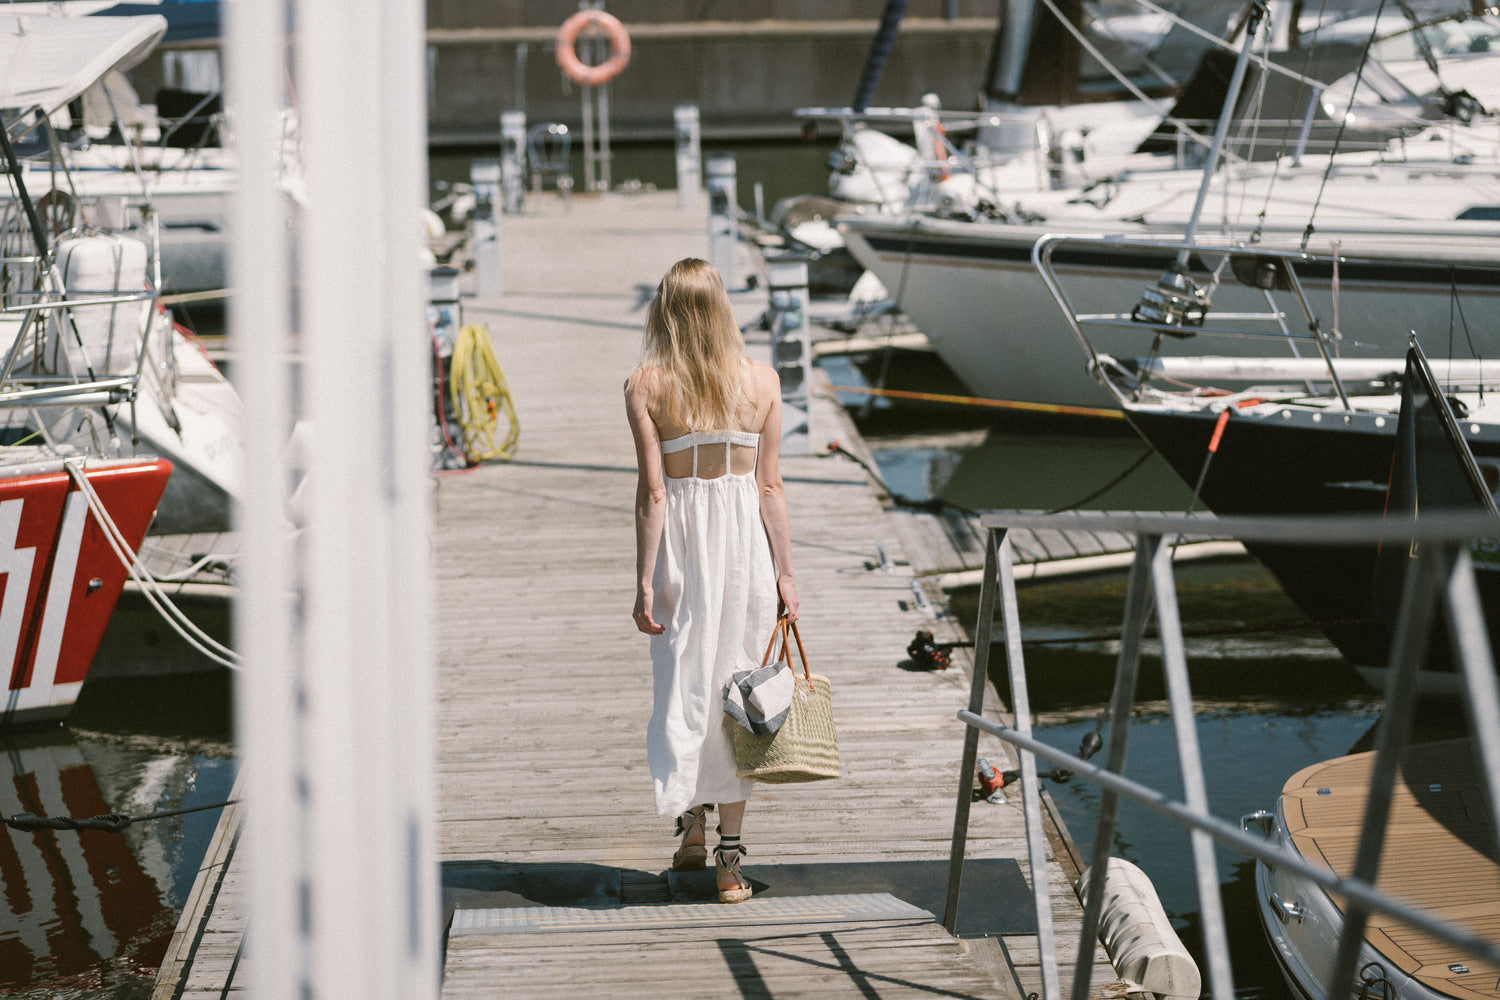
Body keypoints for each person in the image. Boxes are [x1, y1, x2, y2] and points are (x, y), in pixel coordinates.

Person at [625, 257, 799, 904]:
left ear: (665, 312)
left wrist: (644, 583)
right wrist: (786, 575)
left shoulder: (645, 386)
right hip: (745, 552)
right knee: (739, 695)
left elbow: (653, 494)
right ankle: (729, 864)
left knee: (685, 687)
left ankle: (691, 832)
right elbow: (770, 486)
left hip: (681, 552)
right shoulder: (762, 381)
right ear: (723, 308)